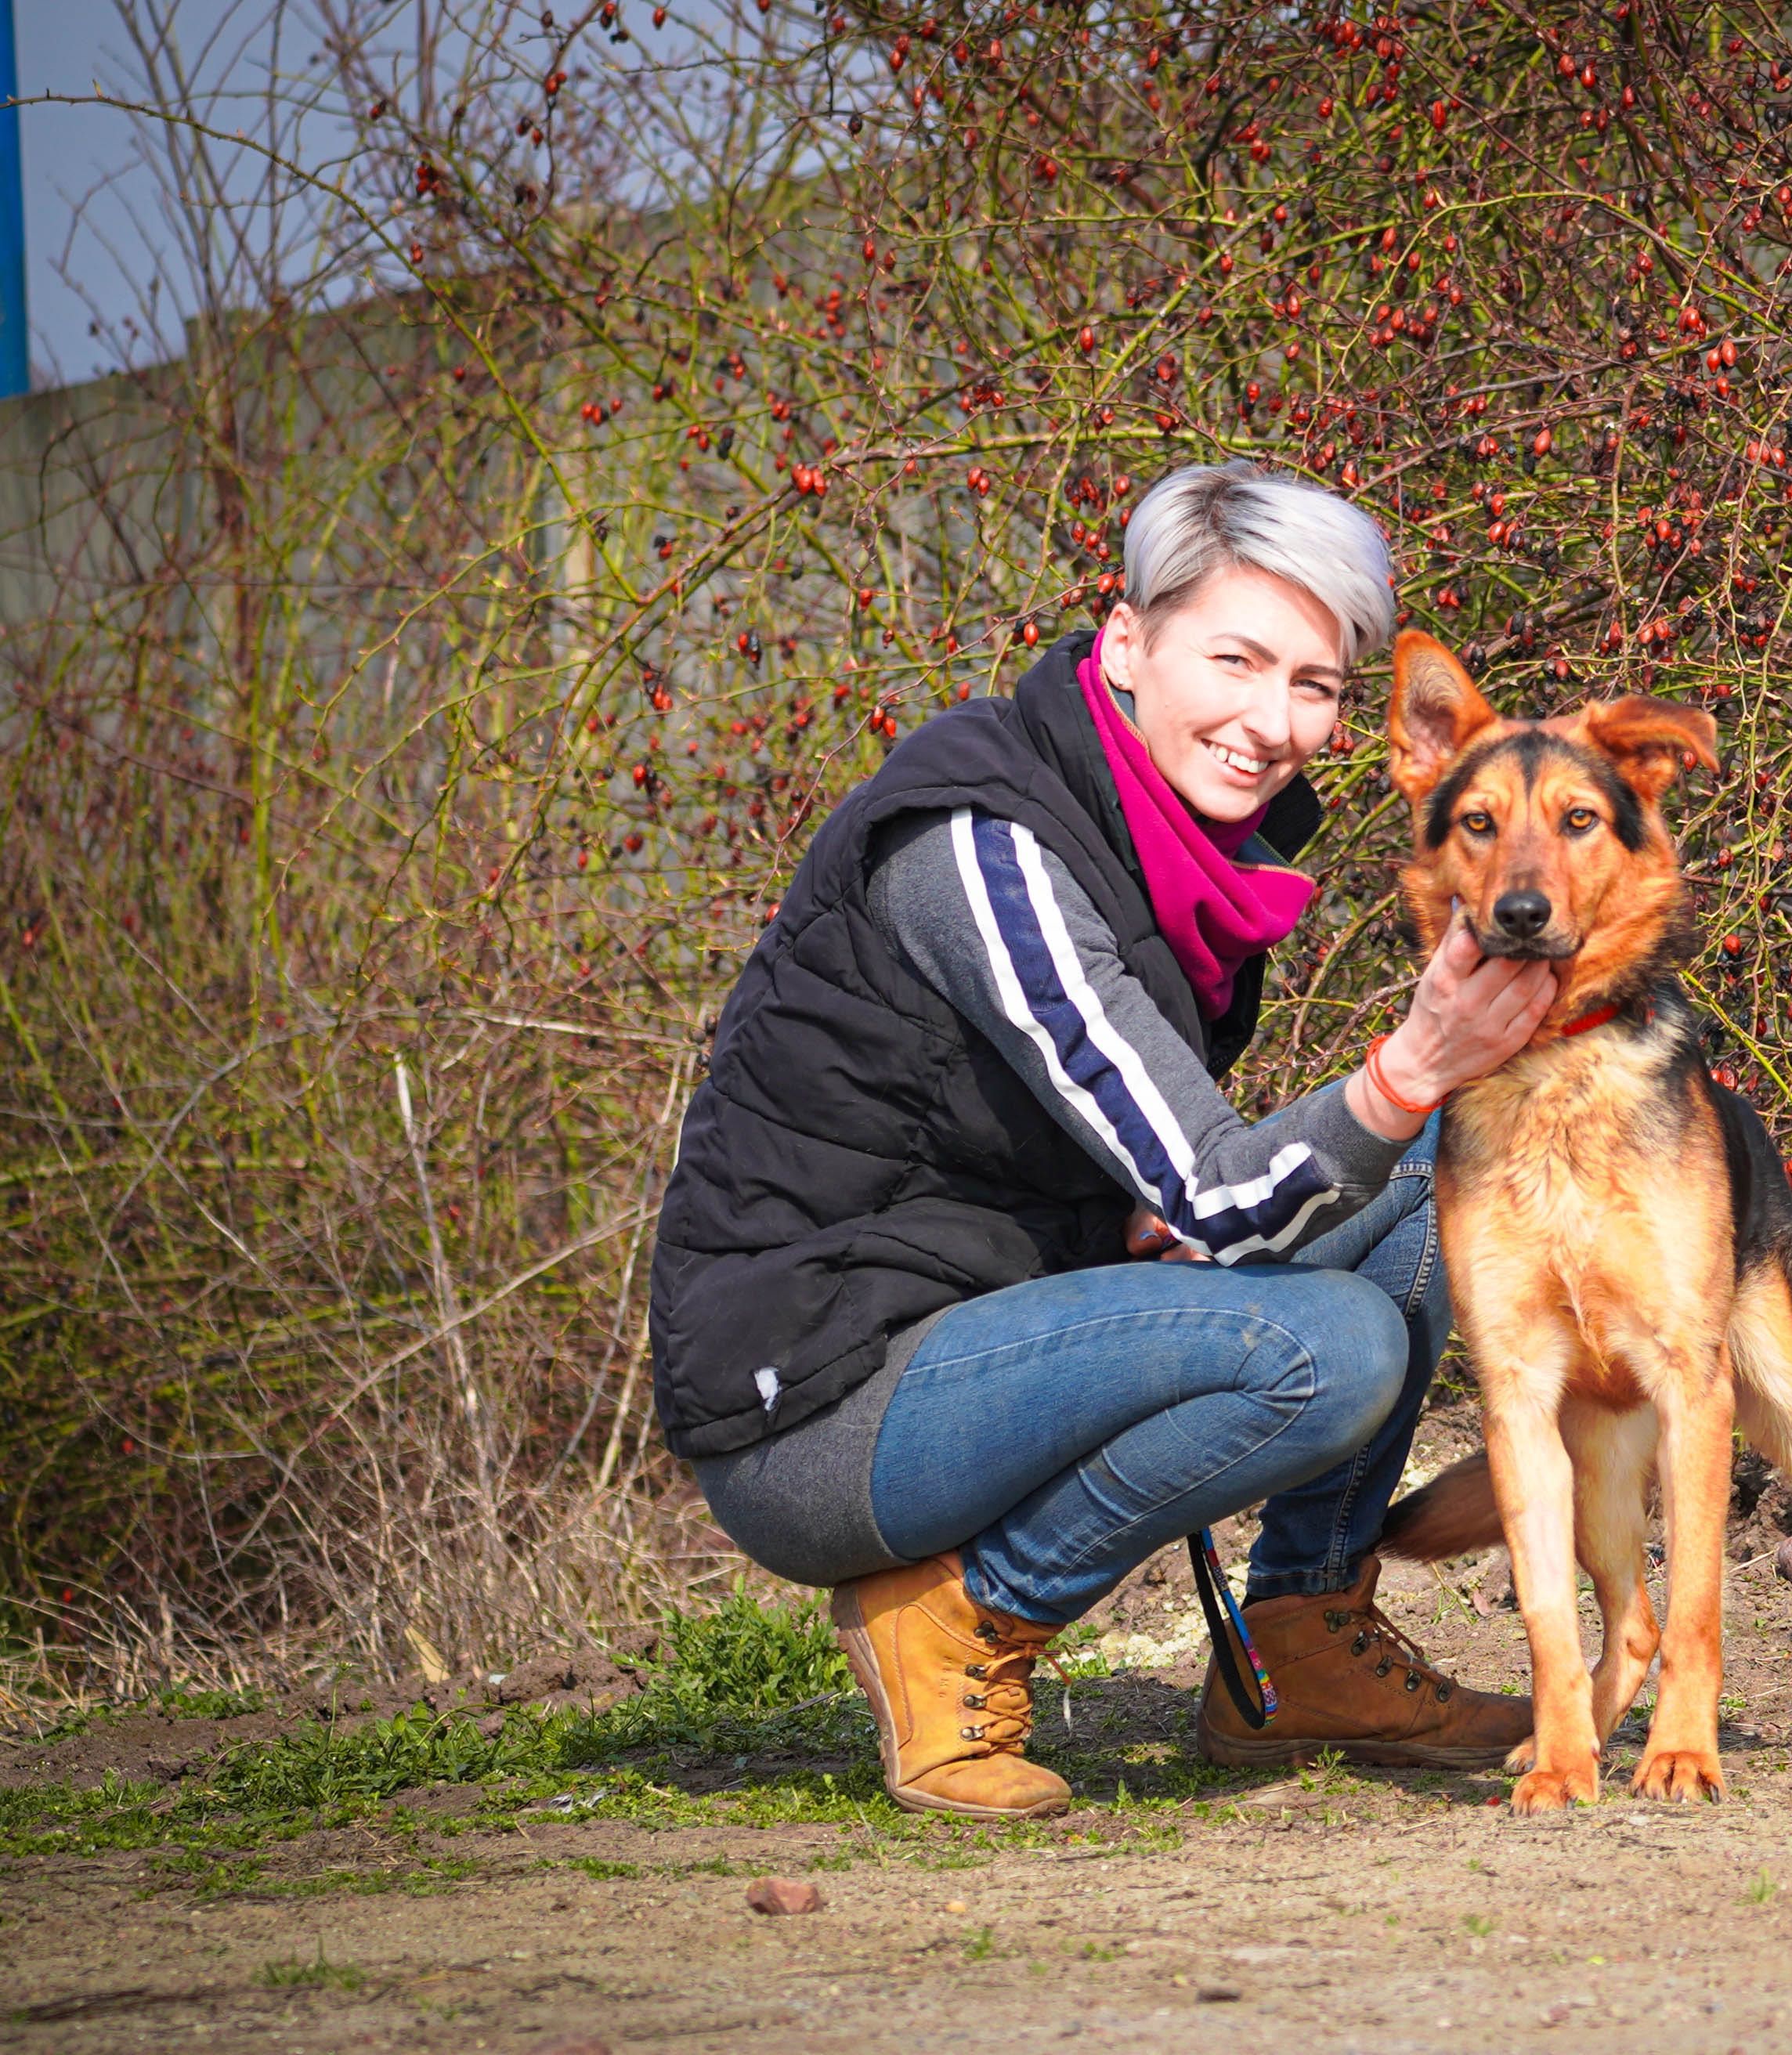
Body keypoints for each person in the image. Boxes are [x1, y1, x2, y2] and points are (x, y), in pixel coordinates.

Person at [649, 460, 1554, 1818]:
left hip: (982, 1317)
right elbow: (1208, 1185)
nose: (1272, 721)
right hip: (820, 1400)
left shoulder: (1171, 847)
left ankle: (1302, 1636)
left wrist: (1145, 1203)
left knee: (1441, 1169)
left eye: (1314, 683)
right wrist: (1414, 1060)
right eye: (1236, 659)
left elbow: (1144, 1164)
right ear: (1127, 640)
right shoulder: (987, 846)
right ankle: (961, 1619)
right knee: (1331, 1347)